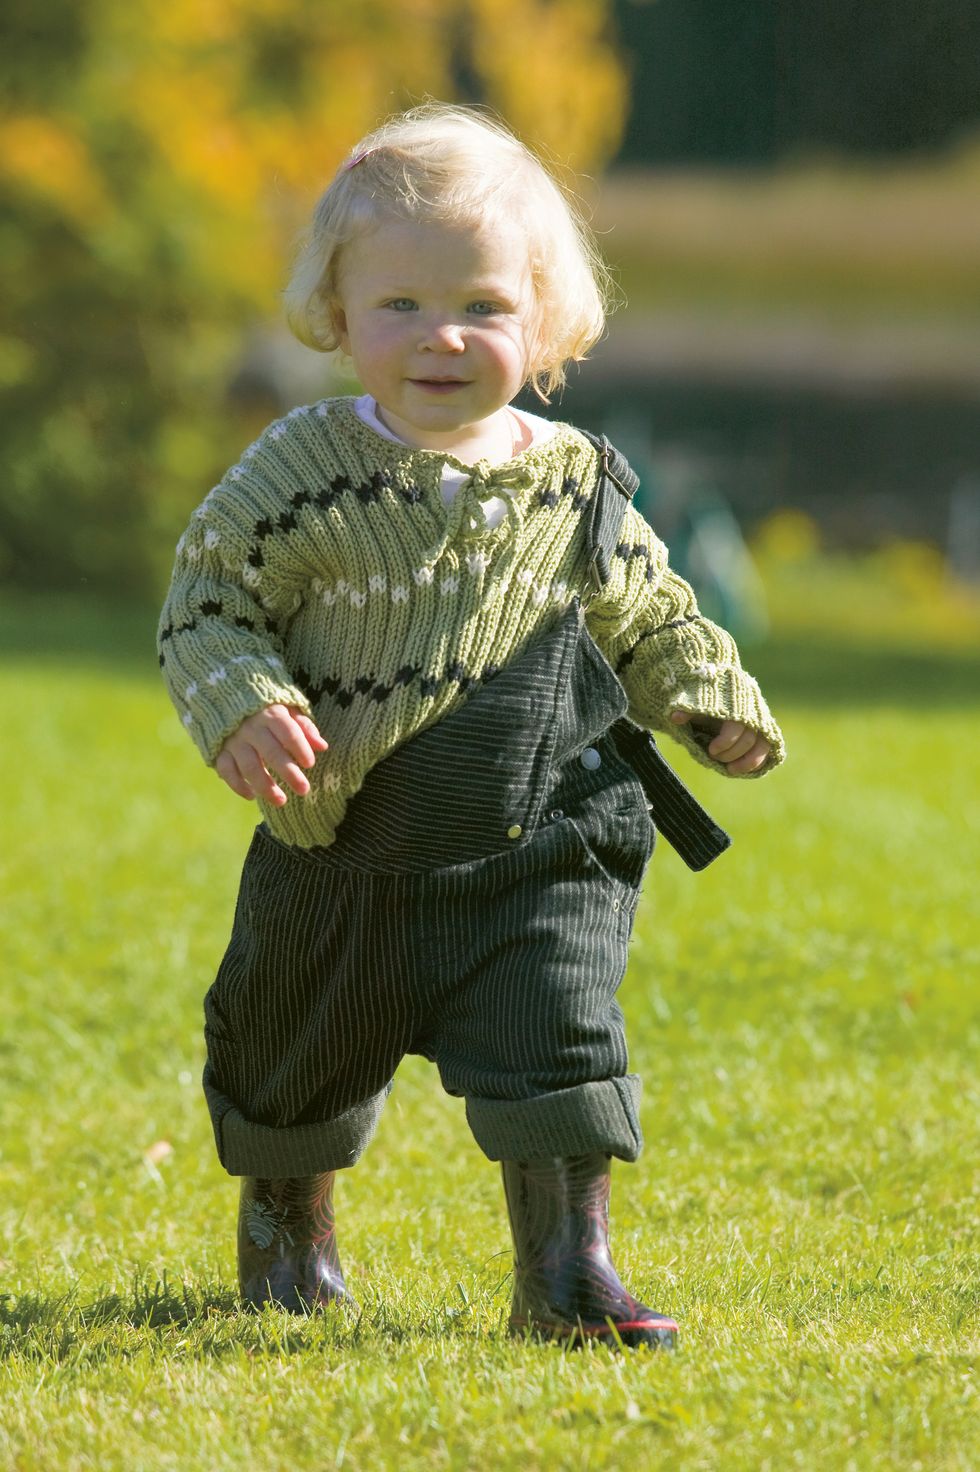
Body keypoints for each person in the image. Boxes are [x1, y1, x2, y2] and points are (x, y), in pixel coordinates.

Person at [157, 102, 785, 1350]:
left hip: (535, 831)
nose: (442, 335)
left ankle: (566, 1272)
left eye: (485, 308)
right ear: (337, 313)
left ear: (543, 322)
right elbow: (207, 603)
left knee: (560, 1031)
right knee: (294, 1044)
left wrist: (704, 694)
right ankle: (290, 1236)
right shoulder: (299, 472)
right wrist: (244, 703)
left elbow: (647, 606)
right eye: (399, 305)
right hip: (342, 831)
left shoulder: (574, 478)